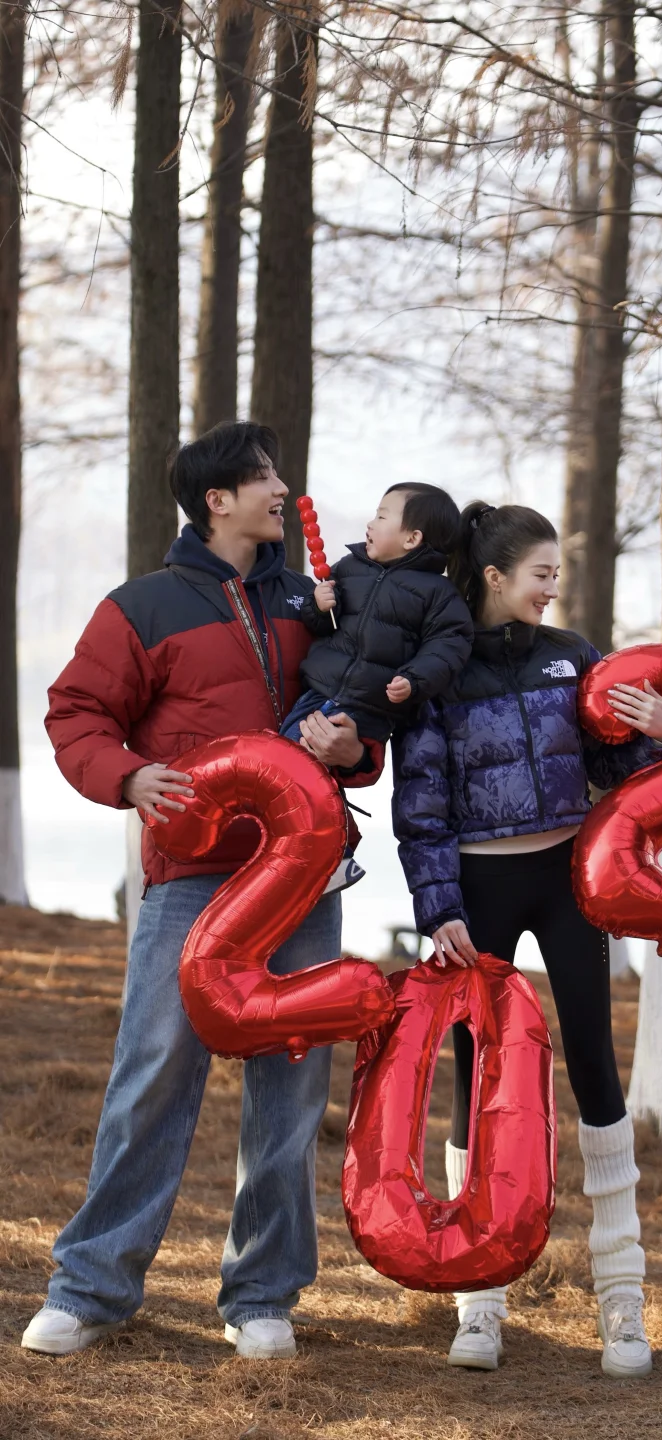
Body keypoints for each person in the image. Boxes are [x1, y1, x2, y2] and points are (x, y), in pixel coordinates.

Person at [21, 422, 381, 1361]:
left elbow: (361, 707)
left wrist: (357, 748)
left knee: (292, 1088)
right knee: (152, 1075)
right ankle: (90, 1287)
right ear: (216, 499)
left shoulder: (315, 603)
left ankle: (263, 1295)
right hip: (191, 879)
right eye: (262, 477)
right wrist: (129, 779)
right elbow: (76, 713)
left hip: (306, 877)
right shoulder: (140, 606)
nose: (280, 488)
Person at [392, 502, 662, 1379]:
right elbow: (421, 808)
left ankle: (622, 1302)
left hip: (564, 884)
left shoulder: (574, 657)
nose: (553, 589)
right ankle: (478, 1304)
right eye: (541, 574)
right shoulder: (442, 670)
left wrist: (661, 736)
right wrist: (436, 905)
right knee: (477, 1076)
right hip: (475, 894)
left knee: (594, 1064)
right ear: (494, 577)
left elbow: (616, 773)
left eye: (556, 574)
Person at [280, 483, 473, 746]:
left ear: (411, 539)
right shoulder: (348, 568)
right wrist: (319, 606)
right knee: (284, 750)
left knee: (300, 761)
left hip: (370, 709)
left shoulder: (438, 593)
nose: (370, 524)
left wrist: (414, 679)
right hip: (317, 692)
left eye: (382, 517)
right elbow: (319, 625)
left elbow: (449, 645)